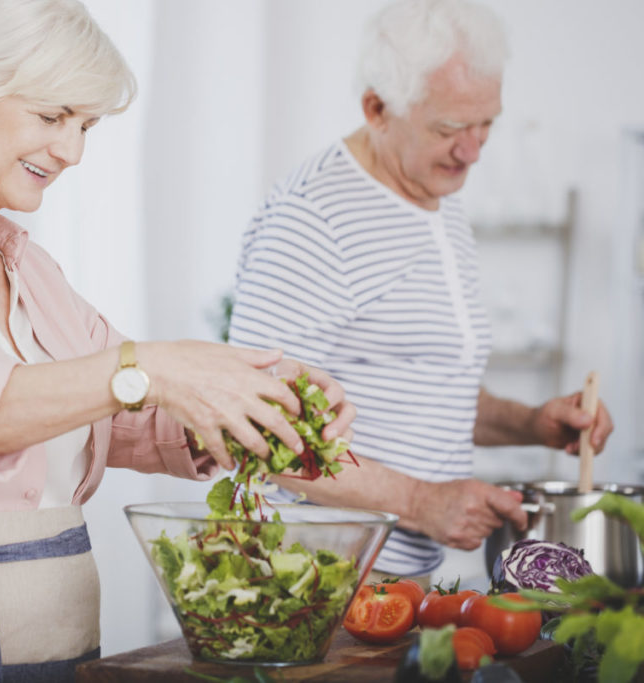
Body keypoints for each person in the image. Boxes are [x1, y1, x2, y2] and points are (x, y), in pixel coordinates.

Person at [0, 1, 355, 680]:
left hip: (61, 654)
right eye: (52, 117)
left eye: (86, 126)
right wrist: (149, 366)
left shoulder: (31, 268)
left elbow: (130, 413)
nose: (72, 151)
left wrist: (254, 396)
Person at [228, 0, 614, 584]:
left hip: (393, 582)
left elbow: (426, 389)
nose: (474, 150)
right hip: (306, 578)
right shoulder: (313, 219)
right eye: (450, 129)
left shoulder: (433, 196)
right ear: (377, 109)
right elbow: (260, 431)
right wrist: (422, 501)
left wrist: (531, 421)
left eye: (487, 122)